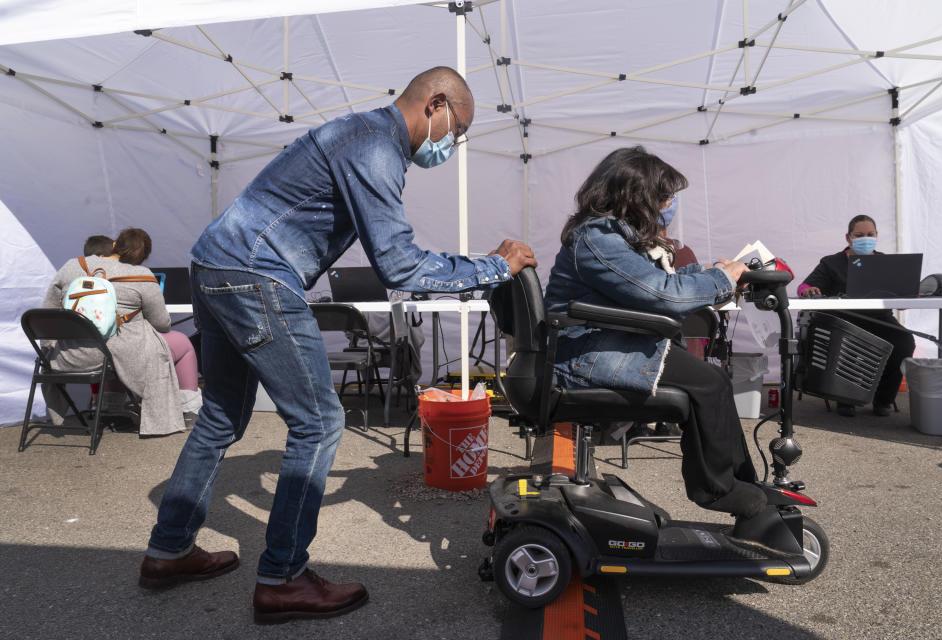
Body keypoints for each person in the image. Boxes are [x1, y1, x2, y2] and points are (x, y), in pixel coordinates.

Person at [140, 66, 537, 624]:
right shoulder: (376, 146)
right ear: (437, 104)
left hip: (215, 264)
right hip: (256, 273)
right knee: (320, 422)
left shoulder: (358, 135)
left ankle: (168, 552)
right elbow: (399, 263)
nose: (453, 144)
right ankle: (282, 579)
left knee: (222, 417)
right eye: (459, 130)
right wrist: (496, 266)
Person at [544, 146, 767, 526]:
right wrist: (721, 280)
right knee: (709, 384)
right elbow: (659, 293)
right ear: (636, 197)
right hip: (586, 354)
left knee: (710, 382)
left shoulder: (611, 235)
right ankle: (720, 488)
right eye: (665, 197)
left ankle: (738, 482)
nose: (670, 205)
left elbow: (650, 281)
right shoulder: (598, 238)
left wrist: (711, 274)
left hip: (601, 344)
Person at [42, 228, 194, 436]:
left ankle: (109, 407)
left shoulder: (73, 266)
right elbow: (161, 324)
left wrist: (47, 350)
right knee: (180, 342)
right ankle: (188, 409)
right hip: (118, 356)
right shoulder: (142, 275)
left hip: (69, 356)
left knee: (114, 341)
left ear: (115, 244)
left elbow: (47, 313)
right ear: (145, 256)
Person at [798, 214, 915, 416]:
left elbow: (903, 298)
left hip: (880, 319)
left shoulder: (886, 263)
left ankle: (883, 399)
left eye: (870, 234)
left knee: (904, 342)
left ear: (877, 235)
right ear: (848, 237)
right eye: (859, 235)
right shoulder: (831, 263)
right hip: (845, 320)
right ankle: (845, 399)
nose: (865, 238)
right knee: (845, 340)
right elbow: (804, 286)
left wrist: (907, 295)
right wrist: (809, 291)